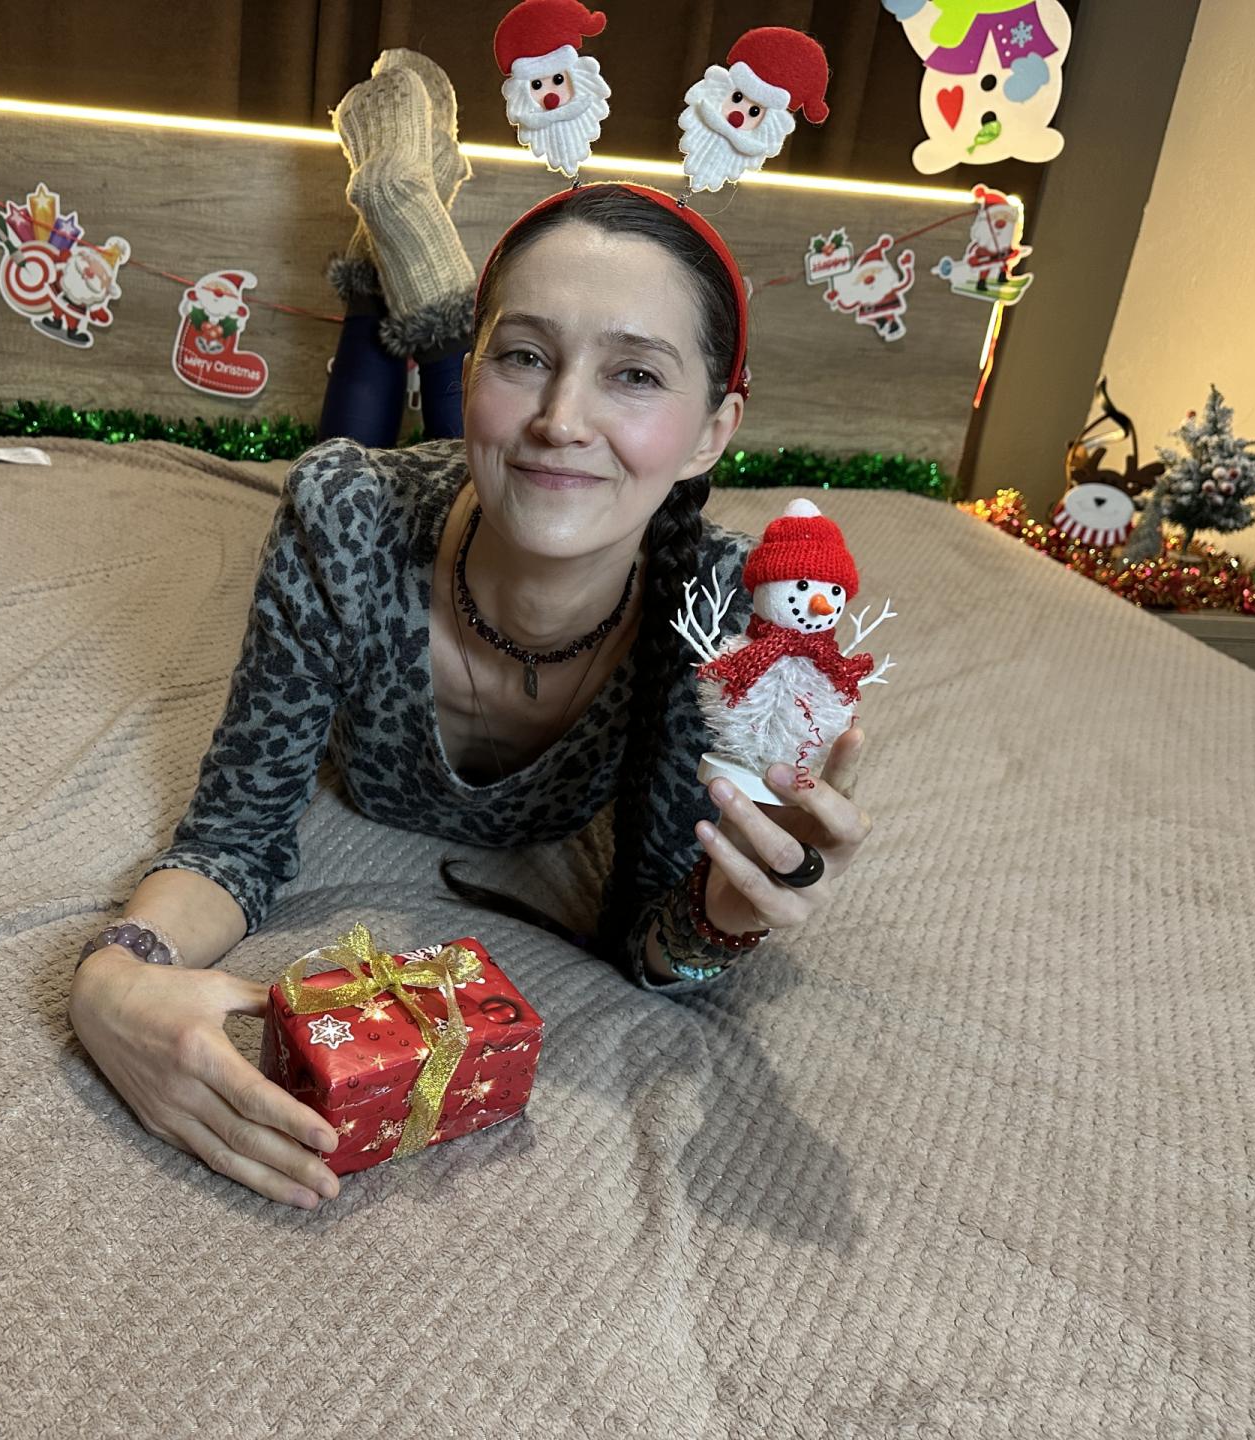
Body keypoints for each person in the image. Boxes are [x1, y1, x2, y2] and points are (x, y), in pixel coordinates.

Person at [68, 59, 875, 1212]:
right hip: (417, 487)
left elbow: (652, 941)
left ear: (713, 432)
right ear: (479, 363)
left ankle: (412, 238)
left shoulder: (714, 619)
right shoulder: (344, 519)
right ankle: (393, 245)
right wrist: (111, 979)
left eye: (635, 374)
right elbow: (233, 840)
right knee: (392, 435)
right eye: (523, 355)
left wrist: (723, 915)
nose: (561, 419)